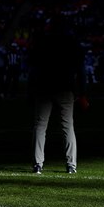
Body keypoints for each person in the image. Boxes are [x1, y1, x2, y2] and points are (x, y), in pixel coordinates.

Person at [28, 14, 85, 174]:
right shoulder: (72, 42)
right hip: (65, 88)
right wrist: (82, 91)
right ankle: (71, 165)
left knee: (40, 126)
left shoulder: (42, 42)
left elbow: (33, 69)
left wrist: (30, 90)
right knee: (68, 126)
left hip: (44, 87)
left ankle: (37, 164)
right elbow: (80, 69)